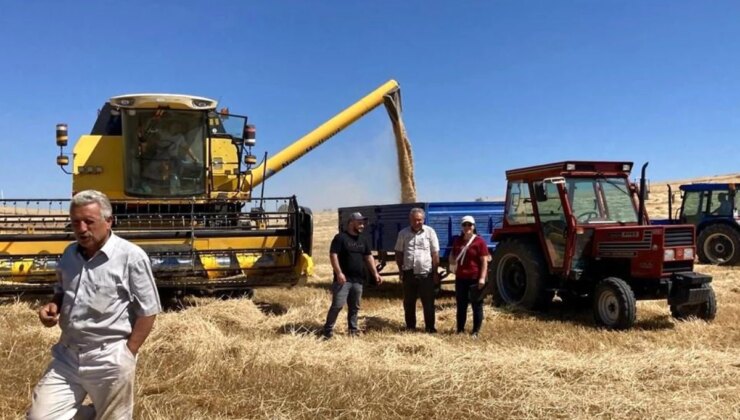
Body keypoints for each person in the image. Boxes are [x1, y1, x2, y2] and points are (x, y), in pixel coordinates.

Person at [28, 190, 161, 420]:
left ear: (109, 221)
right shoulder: (69, 254)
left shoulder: (131, 256)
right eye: (75, 222)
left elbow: (148, 310)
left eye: (89, 222)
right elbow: (62, 289)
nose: (81, 229)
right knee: (39, 417)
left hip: (109, 356)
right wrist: (53, 306)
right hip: (67, 355)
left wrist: (128, 353)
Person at [322, 212, 383, 339]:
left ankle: (353, 330)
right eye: (359, 223)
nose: (362, 225)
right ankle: (327, 330)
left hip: (358, 279)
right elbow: (333, 255)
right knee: (337, 305)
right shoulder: (340, 238)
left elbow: (368, 257)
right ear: (351, 223)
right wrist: (339, 273)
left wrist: (375, 273)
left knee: (354, 307)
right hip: (343, 280)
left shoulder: (363, 239)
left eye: (363, 223)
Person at [394, 207, 440, 333]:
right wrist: (400, 270)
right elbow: (398, 252)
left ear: (424, 220)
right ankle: (410, 327)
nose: (417, 222)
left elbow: (435, 253)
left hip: (426, 273)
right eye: (415, 220)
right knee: (409, 303)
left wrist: (435, 273)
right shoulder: (403, 233)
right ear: (410, 220)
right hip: (409, 273)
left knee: (428, 303)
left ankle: (430, 328)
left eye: (420, 220)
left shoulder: (430, 232)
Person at [449, 215, 489, 337]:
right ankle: (460, 329)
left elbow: (484, 261)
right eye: (464, 225)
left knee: (476, 305)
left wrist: (482, 278)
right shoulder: (458, 241)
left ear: (474, 226)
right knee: (461, 305)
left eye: (469, 225)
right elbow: (453, 256)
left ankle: (475, 331)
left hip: (474, 278)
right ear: (461, 227)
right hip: (461, 278)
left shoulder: (479, 242)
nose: (467, 227)